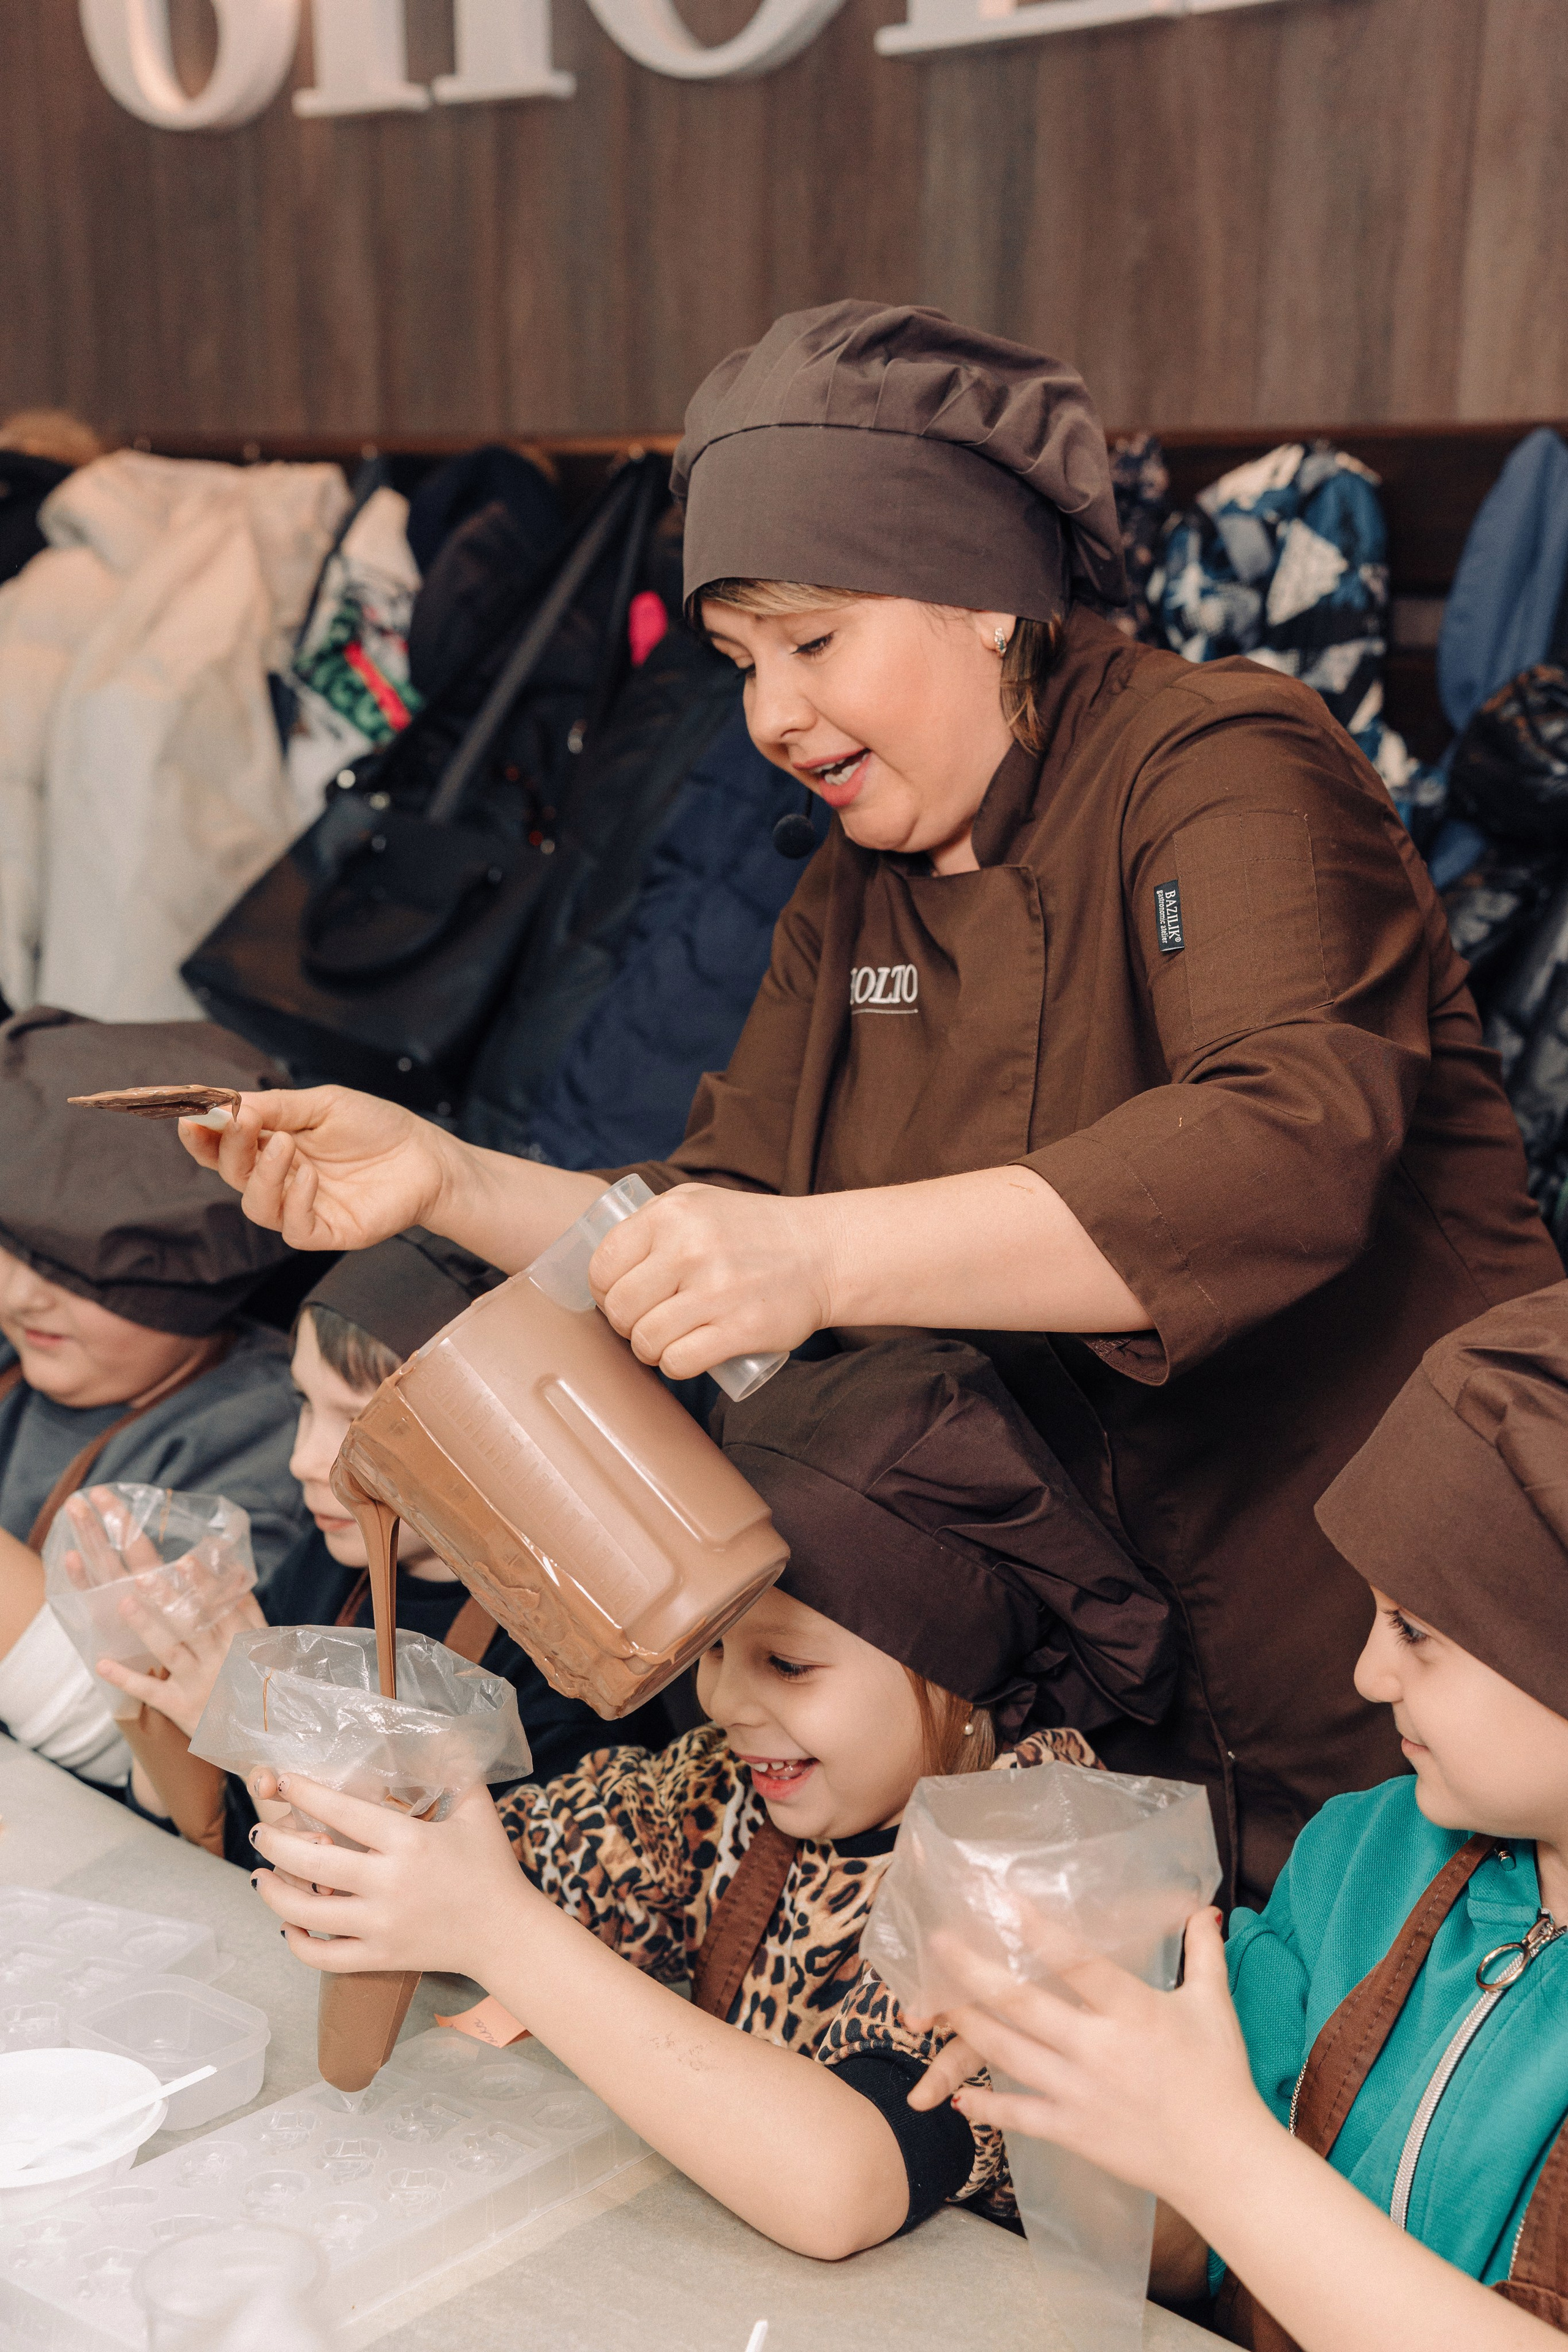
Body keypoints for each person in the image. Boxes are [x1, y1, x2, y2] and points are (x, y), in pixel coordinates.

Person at [179, 302, 1561, 1904]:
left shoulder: (1219, 759)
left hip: (1383, 1642)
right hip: (1088, 1697)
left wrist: (821, 1257)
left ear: (985, 597)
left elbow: (1284, 1140)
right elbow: (714, 1222)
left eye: (814, 644)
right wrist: (441, 1181)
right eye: (739, 663)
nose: (768, 717)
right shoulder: (857, 886)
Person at [241, 1340, 1174, 2258]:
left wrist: (495, 1927)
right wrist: (360, 1831)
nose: (725, 1701)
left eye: (788, 1664)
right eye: (715, 1650)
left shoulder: (1048, 1858)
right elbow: (510, 1857)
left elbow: (843, 2186)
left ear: (954, 1667)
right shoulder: (714, 1792)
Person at [908, 1281, 1568, 2348]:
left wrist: (1218, 2152)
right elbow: (1193, 2259)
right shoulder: (1359, 1857)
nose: (1367, 1676)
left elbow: (1229, 2172)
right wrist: (1077, 2059)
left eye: (1417, 1630)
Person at [103, 1229, 657, 1860]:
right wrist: (169, 1694)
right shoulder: (328, 1564)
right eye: (305, 1404)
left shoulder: (569, 1677)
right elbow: (206, 1839)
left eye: (358, 1421)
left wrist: (259, 1730)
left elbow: (416, 1910)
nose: (304, 1460)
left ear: (495, 1435)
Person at [0, 1006, 306, 1793]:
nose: (22, 1296)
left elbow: (161, 1755)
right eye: (9, 1246)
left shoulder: (267, 1439)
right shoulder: (21, 1352)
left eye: (76, 1273)